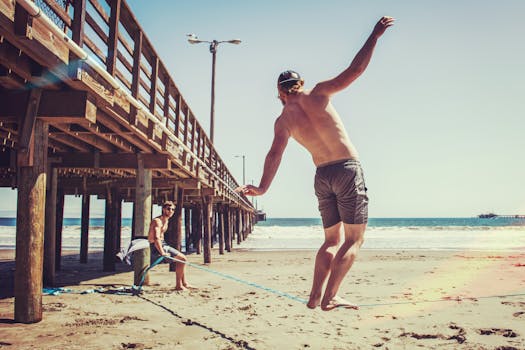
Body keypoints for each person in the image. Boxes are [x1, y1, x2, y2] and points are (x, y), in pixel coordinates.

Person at [237, 16, 394, 310]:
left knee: (331, 241)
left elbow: (275, 154)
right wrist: (375, 35)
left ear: (281, 92)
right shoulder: (320, 92)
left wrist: (262, 188)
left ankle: (314, 295)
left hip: (322, 175)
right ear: (300, 84)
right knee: (354, 240)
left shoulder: (283, 120)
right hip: (346, 169)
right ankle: (331, 296)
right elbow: (355, 70)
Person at [148, 201, 192, 291]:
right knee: (183, 259)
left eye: (172, 209)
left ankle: (184, 283)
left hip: (162, 244)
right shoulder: (158, 221)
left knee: (181, 260)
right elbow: (156, 238)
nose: (170, 211)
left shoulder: (166, 220)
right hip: (156, 246)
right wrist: (163, 253)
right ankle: (178, 285)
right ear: (163, 209)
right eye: (168, 209)